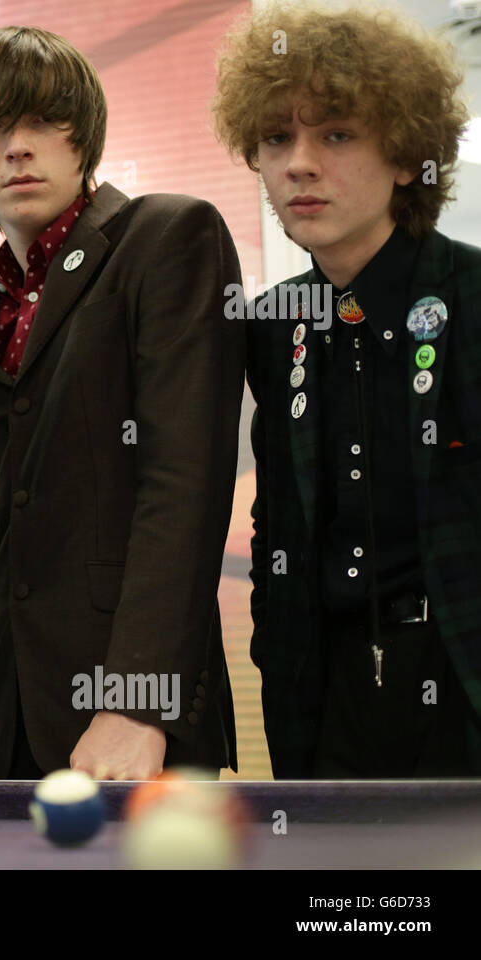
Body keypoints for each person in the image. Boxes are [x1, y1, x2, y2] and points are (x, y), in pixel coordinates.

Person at [0, 26, 244, 781]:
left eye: (42, 120)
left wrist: (141, 704)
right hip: (14, 731)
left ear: (86, 139)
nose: (16, 146)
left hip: (136, 725)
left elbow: (186, 485)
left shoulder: (167, 237)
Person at [212, 3, 481, 776]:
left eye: (334, 134)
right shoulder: (272, 325)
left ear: (406, 156)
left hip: (461, 685)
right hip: (322, 703)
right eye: (275, 139)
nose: (298, 163)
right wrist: (277, 648)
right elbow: (278, 521)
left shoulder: (471, 296)